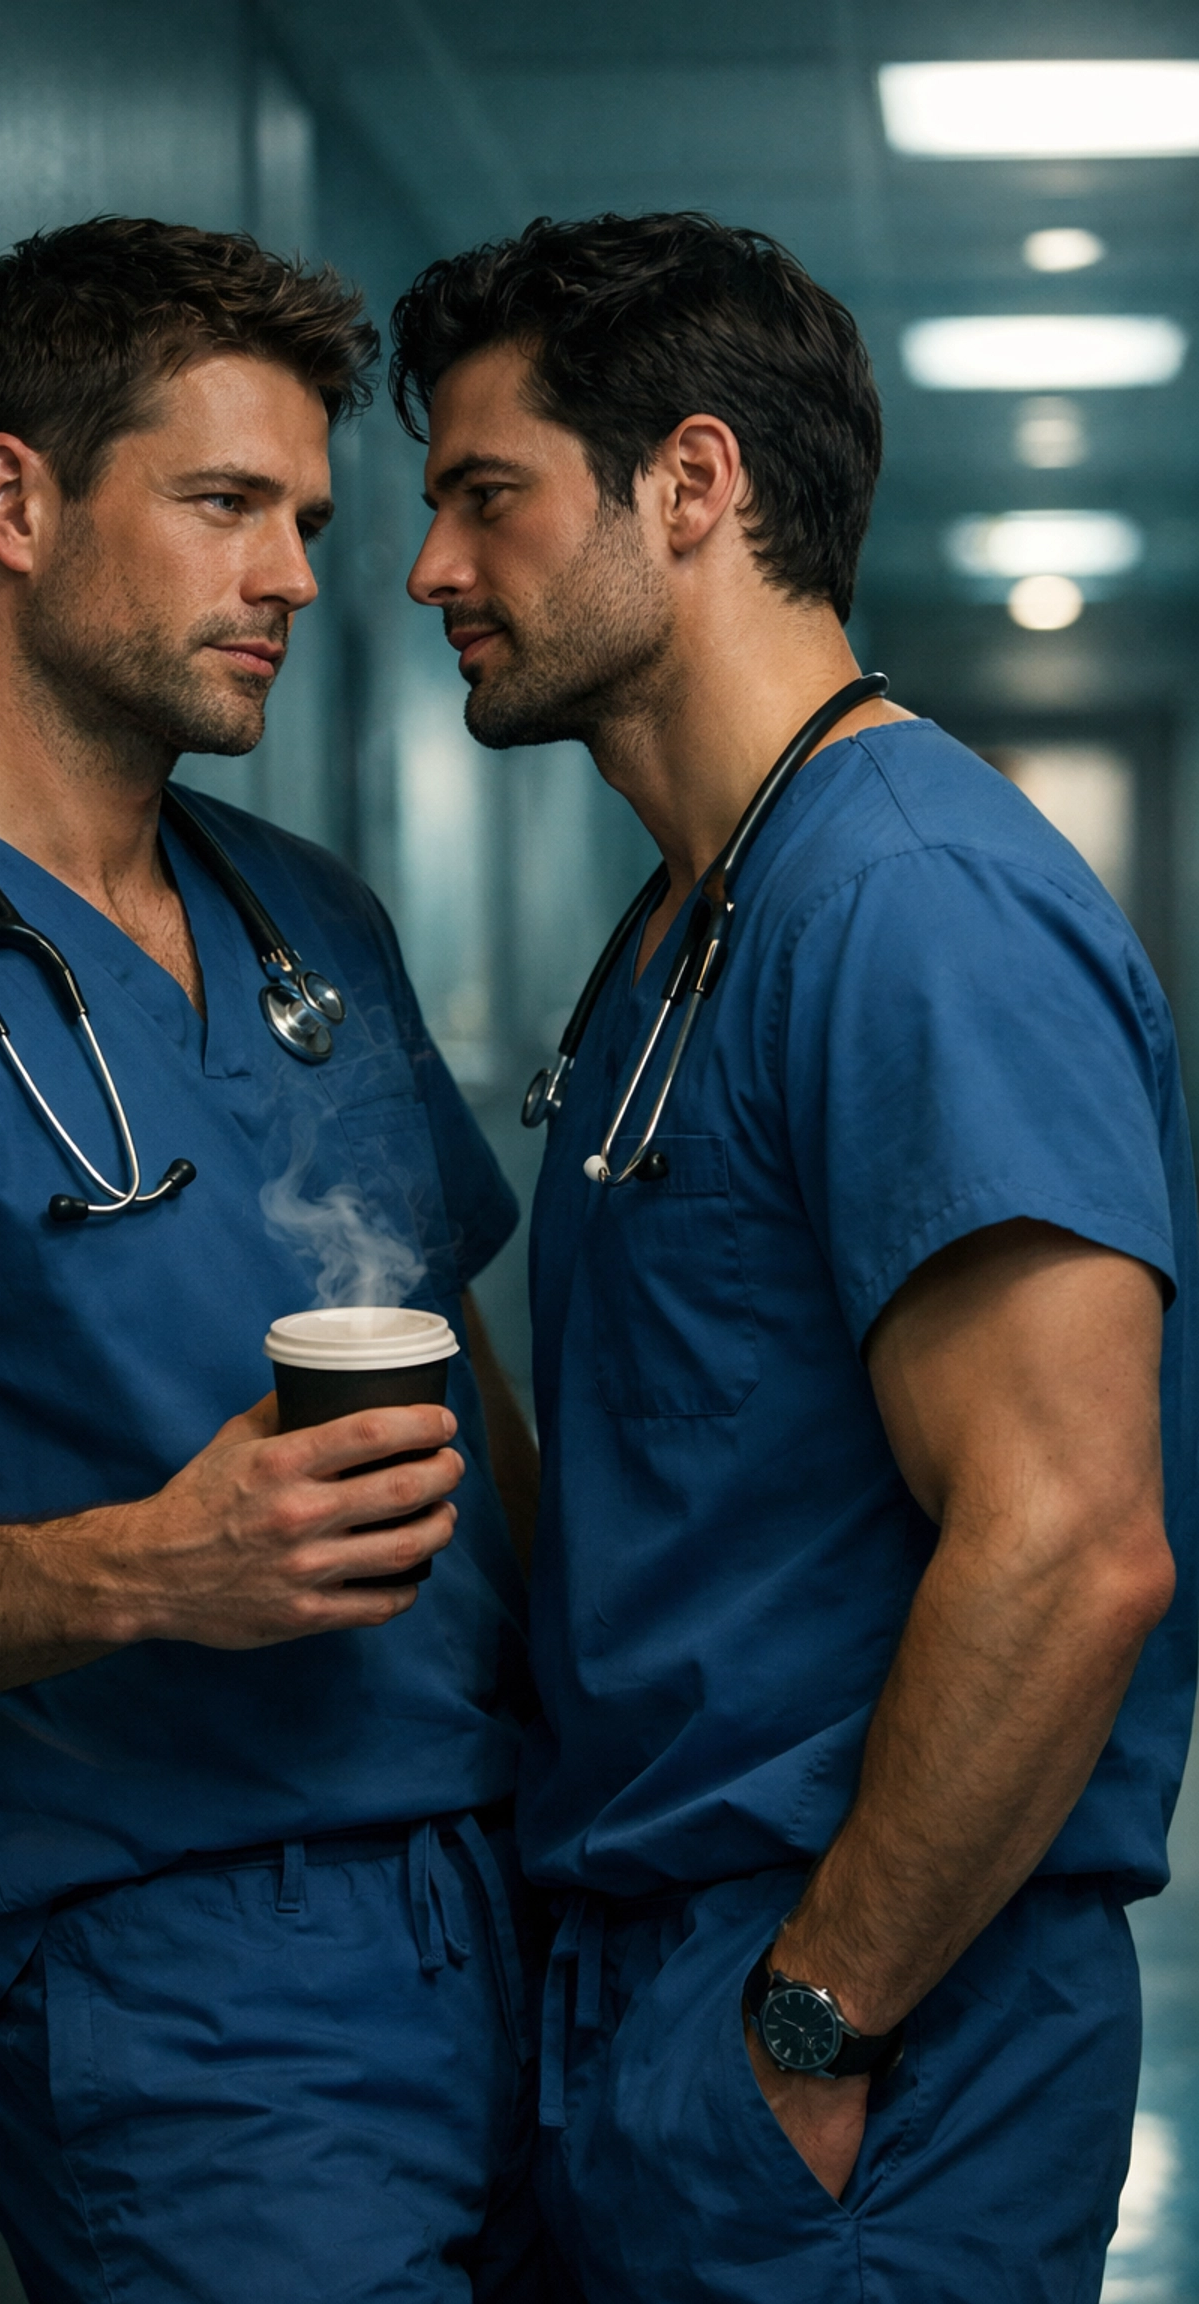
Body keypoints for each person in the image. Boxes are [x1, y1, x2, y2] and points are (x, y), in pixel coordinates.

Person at [0, 218, 546, 2304]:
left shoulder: (306, 924)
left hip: (502, 1897)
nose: (302, 579)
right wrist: (151, 1567)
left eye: (310, 518)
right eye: (227, 505)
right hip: (183, 1997)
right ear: (12, 504)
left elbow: (464, 1386)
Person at [392, 210, 1195, 2303]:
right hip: (661, 1983)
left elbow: (1074, 1539)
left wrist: (814, 2025)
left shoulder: (912, 905)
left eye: (485, 498)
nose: (427, 573)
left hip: (874, 2030)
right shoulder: (692, 926)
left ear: (691, 483)